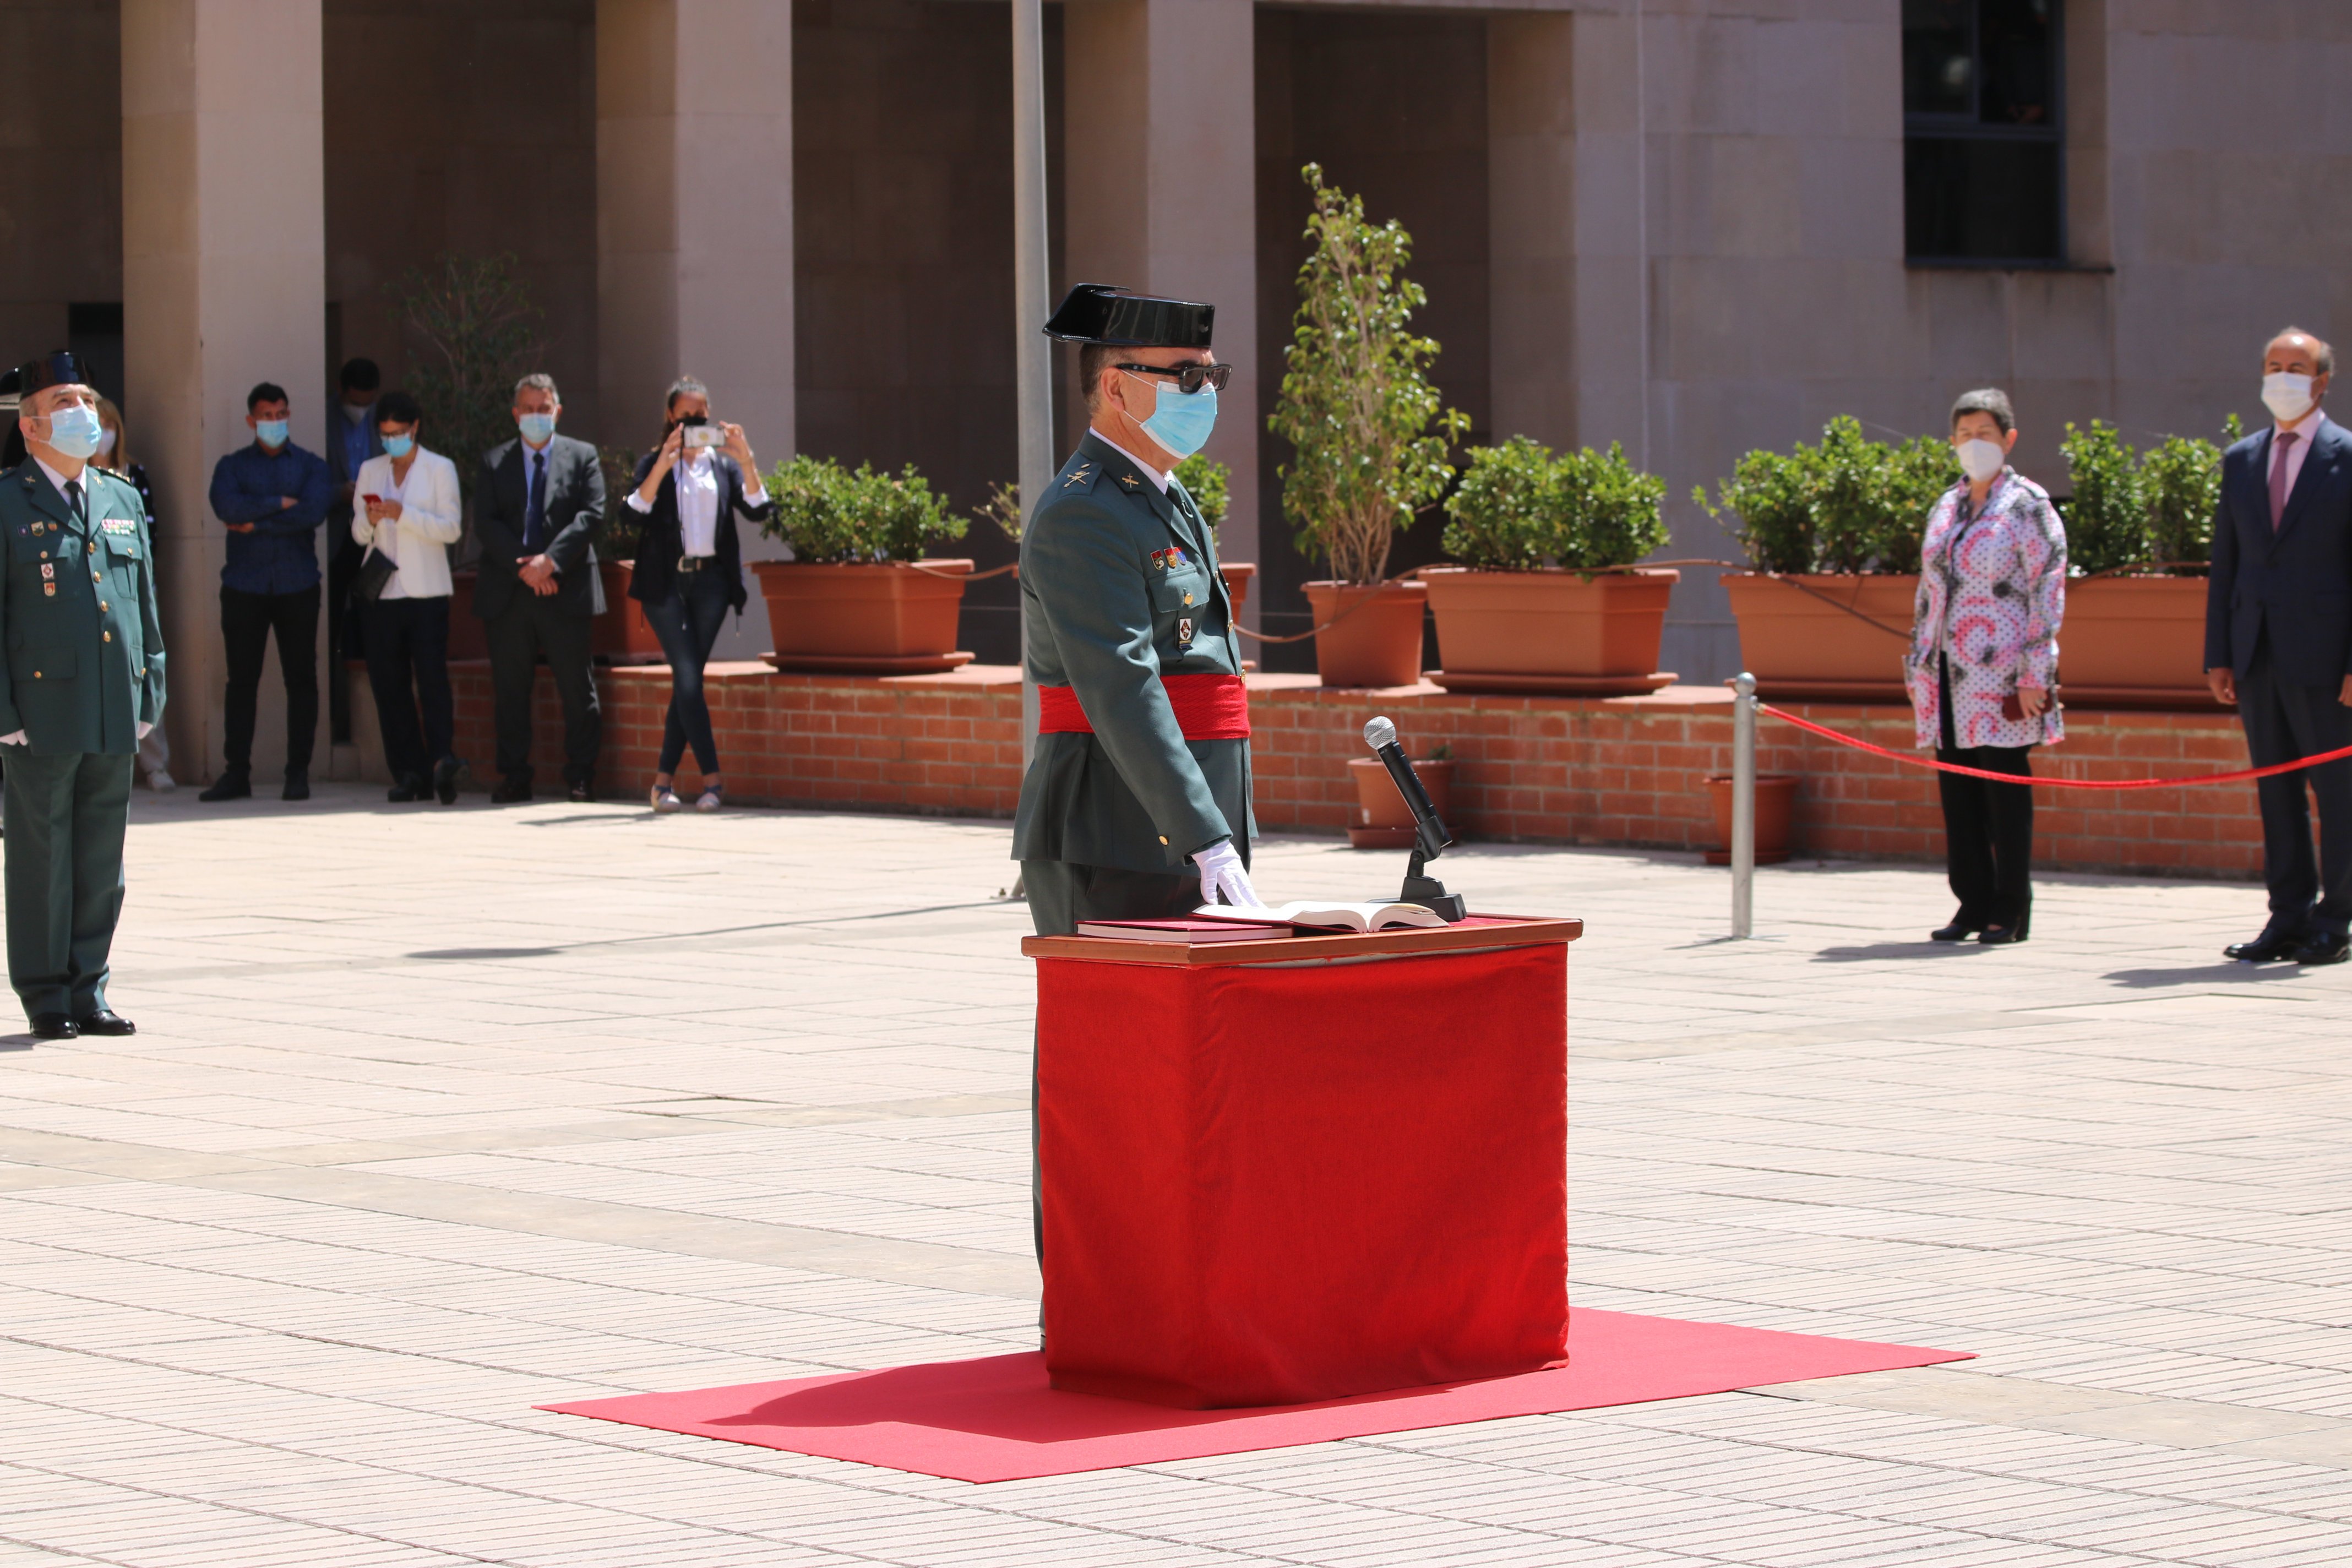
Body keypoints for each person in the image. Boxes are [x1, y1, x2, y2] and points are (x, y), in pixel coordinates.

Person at [1016, 284, 1261, 1278]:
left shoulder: (1161, 495)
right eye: (1187, 377)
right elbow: (1124, 688)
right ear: (1116, 387)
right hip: (1114, 832)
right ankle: (1088, 1295)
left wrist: (1219, 831)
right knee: (1105, 1083)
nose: (1206, 392)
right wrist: (1203, 835)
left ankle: (1167, 1290)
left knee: (1183, 1076)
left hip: (1181, 822)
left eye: (1213, 375)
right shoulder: (1082, 514)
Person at [0, 351, 167, 1039]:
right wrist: (4, 715)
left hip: (110, 702)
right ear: (32, 425)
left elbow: (144, 603)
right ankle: (45, 992)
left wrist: (150, 686)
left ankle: (88, 986)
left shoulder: (121, 497)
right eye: (65, 403)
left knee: (102, 856)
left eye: (87, 401)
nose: (84, 414)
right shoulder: (8, 499)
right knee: (43, 856)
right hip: (39, 710)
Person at [2205, 327, 2352, 966]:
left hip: (2327, 659)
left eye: (2297, 366)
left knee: (2339, 790)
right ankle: (2287, 915)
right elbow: (2227, 564)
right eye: (2273, 365)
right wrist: (2219, 653)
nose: (2283, 376)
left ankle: (2338, 917)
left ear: (2321, 381)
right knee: (2275, 790)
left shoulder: (2347, 455)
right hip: (2256, 651)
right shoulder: (2241, 459)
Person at [1904, 387, 2065, 946]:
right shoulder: (1946, 506)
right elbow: (1928, 590)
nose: (1976, 445)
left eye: (1987, 434)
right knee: (1959, 790)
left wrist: (2034, 673)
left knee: (2003, 788)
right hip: (1946, 672)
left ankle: (2009, 907)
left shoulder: (2028, 506)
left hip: (2002, 674)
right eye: (1966, 435)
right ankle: (1971, 902)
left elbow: (2049, 589)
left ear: (2009, 439)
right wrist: (1918, 665)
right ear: (1952, 442)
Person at [625, 375, 772, 812]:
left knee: (685, 685)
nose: (694, 421)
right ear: (671, 417)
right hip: (665, 584)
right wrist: (662, 467)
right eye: (686, 415)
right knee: (688, 678)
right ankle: (712, 780)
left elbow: (760, 509)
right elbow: (632, 514)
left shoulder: (722, 466)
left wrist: (746, 461)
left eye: (701, 415)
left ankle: (662, 784)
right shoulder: (655, 463)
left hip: (711, 584)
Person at [475, 373, 606, 803]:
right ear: (516, 414)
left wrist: (550, 562)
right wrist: (527, 569)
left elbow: (592, 515)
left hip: (565, 591)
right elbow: (487, 524)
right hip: (511, 594)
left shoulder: (582, 456)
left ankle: (581, 776)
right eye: (528, 409)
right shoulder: (494, 462)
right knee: (511, 691)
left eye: (544, 408)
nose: (536, 416)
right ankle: (515, 776)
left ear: (558, 411)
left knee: (577, 689)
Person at [203, 381, 330, 802]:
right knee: (241, 681)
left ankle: (299, 773)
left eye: (281, 414)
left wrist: (257, 522)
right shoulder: (233, 466)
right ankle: (236, 773)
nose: (274, 422)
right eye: (266, 416)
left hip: (298, 584)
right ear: (251, 420)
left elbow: (313, 512)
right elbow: (226, 507)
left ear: (288, 415)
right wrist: (280, 502)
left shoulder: (311, 465)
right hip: (245, 585)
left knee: (302, 680)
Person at [351, 391, 464, 804]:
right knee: (389, 684)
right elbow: (357, 534)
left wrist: (405, 515)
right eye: (385, 435)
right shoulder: (370, 470)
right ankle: (408, 771)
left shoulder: (439, 469)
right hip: (382, 590)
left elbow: (451, 528)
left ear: (415, 428)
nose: (392, 441)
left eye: (399, 433)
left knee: (432, 680)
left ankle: (441, 762)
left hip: (427, 591)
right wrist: (370, 518)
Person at [92, 397, 173, 794]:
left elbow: (149, 537)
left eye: (110, 424)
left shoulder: (132, 475)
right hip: (87, 592)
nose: (104, 433)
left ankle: (155, 763)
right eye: (97, 423)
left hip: (132, 590)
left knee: (143, 672)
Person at [325, 357, 384, 744]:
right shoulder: (324, 415)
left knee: (372, 623)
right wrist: (340, 493)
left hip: (377, 538)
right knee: (330, 627)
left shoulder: (384, 420)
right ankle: (336, 723)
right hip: (336, 533)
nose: (362, 408)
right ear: (343, 391)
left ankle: (371, 723)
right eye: (356, 401)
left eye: (368, 401)